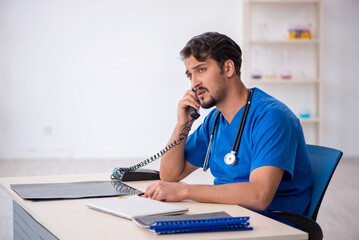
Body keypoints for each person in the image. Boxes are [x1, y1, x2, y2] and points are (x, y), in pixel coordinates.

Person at [144, 32, 313, 216]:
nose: (194, 83)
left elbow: (259, 196)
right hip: (229, 214)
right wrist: (182, 125)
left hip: (272, 223)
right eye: (190, 75)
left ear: (228, 68)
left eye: (201, 70)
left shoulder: (272, 117)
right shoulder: (215, 120)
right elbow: (170, 175)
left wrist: (185, 191)